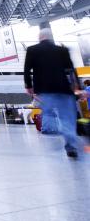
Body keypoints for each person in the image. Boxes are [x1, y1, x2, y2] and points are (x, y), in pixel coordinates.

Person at [24, 28, 79, 158]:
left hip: (45, 89)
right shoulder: (62, 50)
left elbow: (27, 69)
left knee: (48, 115)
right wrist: (77, 86)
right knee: (68, 118)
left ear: (40, 37)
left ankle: (57, 132)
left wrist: (28, 86)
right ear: (51, 37)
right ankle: (71, 146)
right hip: (64, 89)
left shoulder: (32, 50)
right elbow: (71, 69)